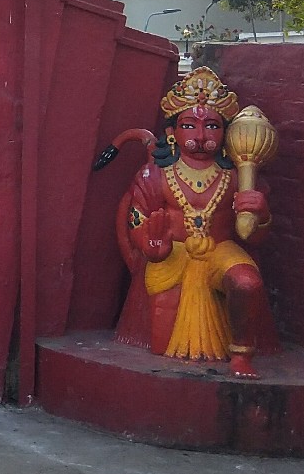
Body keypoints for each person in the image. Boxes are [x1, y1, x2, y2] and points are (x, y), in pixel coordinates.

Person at [108, 67, 274, 378]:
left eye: (211, 126)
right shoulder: (153, 176)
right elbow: (137, 221)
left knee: (246, 283)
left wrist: (261, 214)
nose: (200, 137)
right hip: (171, 255)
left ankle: (241, 355)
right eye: (189, 126)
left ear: (226, 134)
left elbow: (254, 238)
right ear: (172, 134)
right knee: (162, 332)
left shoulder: (238, 176)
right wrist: (151, 243)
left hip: (219, 250)